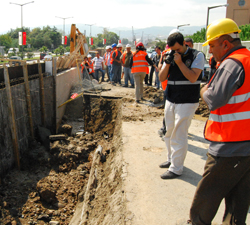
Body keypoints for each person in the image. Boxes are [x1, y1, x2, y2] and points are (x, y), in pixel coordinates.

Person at [188, 18, 250, 225]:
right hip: (246, 145)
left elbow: (214, 99)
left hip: (230, 143)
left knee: (206, 197)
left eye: (212, 45)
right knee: (238, 202)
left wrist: (204, 89)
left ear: (226, 43)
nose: (210, 51)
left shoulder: (233, 64)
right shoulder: (247, 59)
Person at [159, 32, 204, 179]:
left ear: (184, 43)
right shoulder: (170, 56)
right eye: (173, 50)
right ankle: (171, 159)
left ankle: (176, 168)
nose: (175, 52)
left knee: (179, 134)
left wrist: (179, 63)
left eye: (178, 49)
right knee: (169, 131)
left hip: (187, 100)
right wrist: (167, 62)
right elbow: (161, 77)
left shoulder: (197, 56)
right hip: (171, 98)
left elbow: (193, 77)